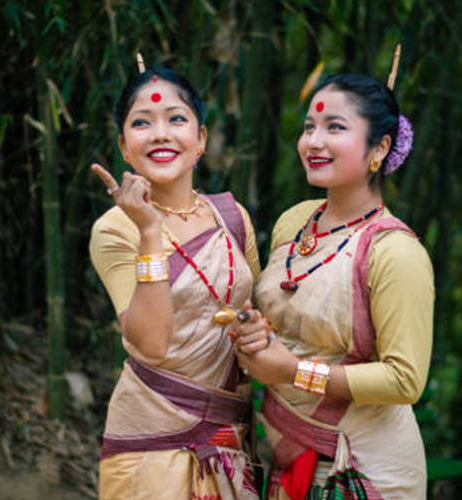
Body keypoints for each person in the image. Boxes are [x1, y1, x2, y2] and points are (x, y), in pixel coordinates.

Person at [233, 73, 434, 500]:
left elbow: (405, 380)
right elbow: (287, 325)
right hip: (289, 457)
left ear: (380, 148)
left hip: (360, 470)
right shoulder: (295, 221)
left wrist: (293, 372)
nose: (313, 141)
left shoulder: (395, 252)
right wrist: (255, 333)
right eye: (309, 127)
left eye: (335, 128)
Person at [89, 65, 263, 500]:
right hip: (151, 447)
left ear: (201, 138)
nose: (160, 133)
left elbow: (259, 319)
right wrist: (149, 231)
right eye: (142, 123)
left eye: (177, 119)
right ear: (123, 147)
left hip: (231, 443)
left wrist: (260, 331)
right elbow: (151, 342)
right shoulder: (116, 230)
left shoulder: (233, 218)